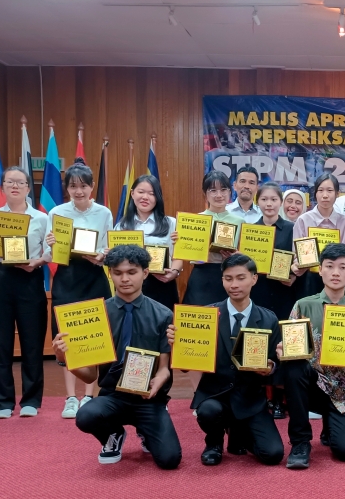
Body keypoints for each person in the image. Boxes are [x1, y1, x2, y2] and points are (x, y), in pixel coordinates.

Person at [53, 245, 181, 469]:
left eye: (131, 272)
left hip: (149, 397)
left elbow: (163, 368)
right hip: (113, 396)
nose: (124, 279)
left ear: (145, 273)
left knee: (170, 460)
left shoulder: (163, 314)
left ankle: (145, 430)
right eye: (117, 272)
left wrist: (159, 380)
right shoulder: (96, 315)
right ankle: (113, 434)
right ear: (109, 274)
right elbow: (89, 375)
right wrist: (65, 358)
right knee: (85, 416)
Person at [187, 254, 285, 467]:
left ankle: (238, 432)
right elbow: (187, 364)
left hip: (250, 398)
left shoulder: (269, 319)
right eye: (228, 278)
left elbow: (277, 365)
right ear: (221, 280)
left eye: (241, 278)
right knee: (209, 410)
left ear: (254, 278)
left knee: (273, 454)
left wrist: (270, 368)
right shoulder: (207, 315)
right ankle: (213, 441)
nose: (234, 284)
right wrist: (181, 345)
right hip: (215, 394)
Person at [283, 243, 345, 468]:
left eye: (343, 267)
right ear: (319, 270)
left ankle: (330, 424)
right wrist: (284, 351)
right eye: (329, 266)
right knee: (293, 368)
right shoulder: (303, 305)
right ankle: (301, 442)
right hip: (311, 387)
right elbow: (290, 350)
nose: (335, 273)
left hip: (342, 392)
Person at [0, 166, 50, 419]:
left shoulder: (41, 218)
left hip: (30, 279)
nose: (15, 186)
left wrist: (38, 262)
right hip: (0, 279)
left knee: (32, 343)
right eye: (10, 182)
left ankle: (31, 400)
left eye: (21, 182)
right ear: (3, 187)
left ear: (29, 188)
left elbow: (50, 251)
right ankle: (3, 402)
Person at [45, 163, 113, 420]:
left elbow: (108, 248)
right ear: (67, 189)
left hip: (94, 276)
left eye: (83, 185)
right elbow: (50, 252)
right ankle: (70, 398)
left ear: (92, 186)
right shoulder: (57, 212)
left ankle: (89, 395)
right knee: (68, 335)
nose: (79, 191)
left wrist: (102, 255)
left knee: (95, 331)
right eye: (73, 186)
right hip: (67, 277)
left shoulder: (103, 212)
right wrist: (52, 244)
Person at [249, 182, 296, 419]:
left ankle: (279, 398)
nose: (269, 204)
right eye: (264, 199)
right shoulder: (250, 230)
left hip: (284, 292)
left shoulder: (292, 228)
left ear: (281, 202)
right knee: (260, 340)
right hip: (257, 292)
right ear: (258, 202)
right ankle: (260, 396)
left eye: (273, 199)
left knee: (282, 343)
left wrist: (293, 274)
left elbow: (299, 260)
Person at [114, 174, 183, 310]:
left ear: (157, 197)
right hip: (130, 285)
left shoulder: (171, 223)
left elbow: (179, 256)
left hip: (162, 284)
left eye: (151, 194)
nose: (145, 197)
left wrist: (174, 272)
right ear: (132, 194)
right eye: (141, 192)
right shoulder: (121, 226)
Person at [181, 171, 244, 307]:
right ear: (205, 194)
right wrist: (180, 242)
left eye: (223, 190)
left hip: (229, 276)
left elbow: (245, 255)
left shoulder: (240, 221)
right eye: (213, 190)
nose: (219, 195)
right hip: (202, 276)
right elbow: (190, 255)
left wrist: (237, 256)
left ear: (230, 192)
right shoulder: (196, 220)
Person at [291, 173, 345, 298]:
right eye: (321, 190)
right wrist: (296, 265)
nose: (325, 195)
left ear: (337, 194)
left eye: (330, 190)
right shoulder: (303, 220)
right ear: (315, 194)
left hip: (336, 277)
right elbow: (296, 254)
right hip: (308, 279)